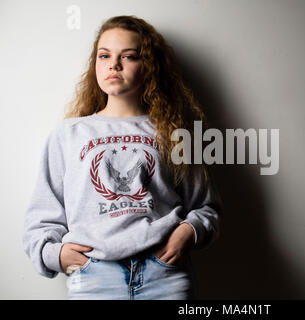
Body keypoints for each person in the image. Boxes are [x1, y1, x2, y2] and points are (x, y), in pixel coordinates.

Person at [22, 15, 221, 300]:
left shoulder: (174, 133)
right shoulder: (69, 134)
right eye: (104, 55)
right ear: (96, 64)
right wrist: (55, 254)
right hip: (93, 276)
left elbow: (206, 207)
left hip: (164, 275)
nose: (114, 64)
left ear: (149, 66)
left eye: (128, 56)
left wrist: (188, 231)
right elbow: (42, 214)